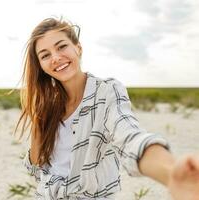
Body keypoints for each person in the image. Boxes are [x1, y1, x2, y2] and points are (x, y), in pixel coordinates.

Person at [15, 17, 199, 200]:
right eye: (45, 55)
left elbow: (129, 136)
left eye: (61, 46)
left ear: (78, 48)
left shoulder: (106, 91)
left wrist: (172, 173)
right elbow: (36, 166)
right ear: (40, 65)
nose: (55, 58)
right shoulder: (48, 104)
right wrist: (39, 121)